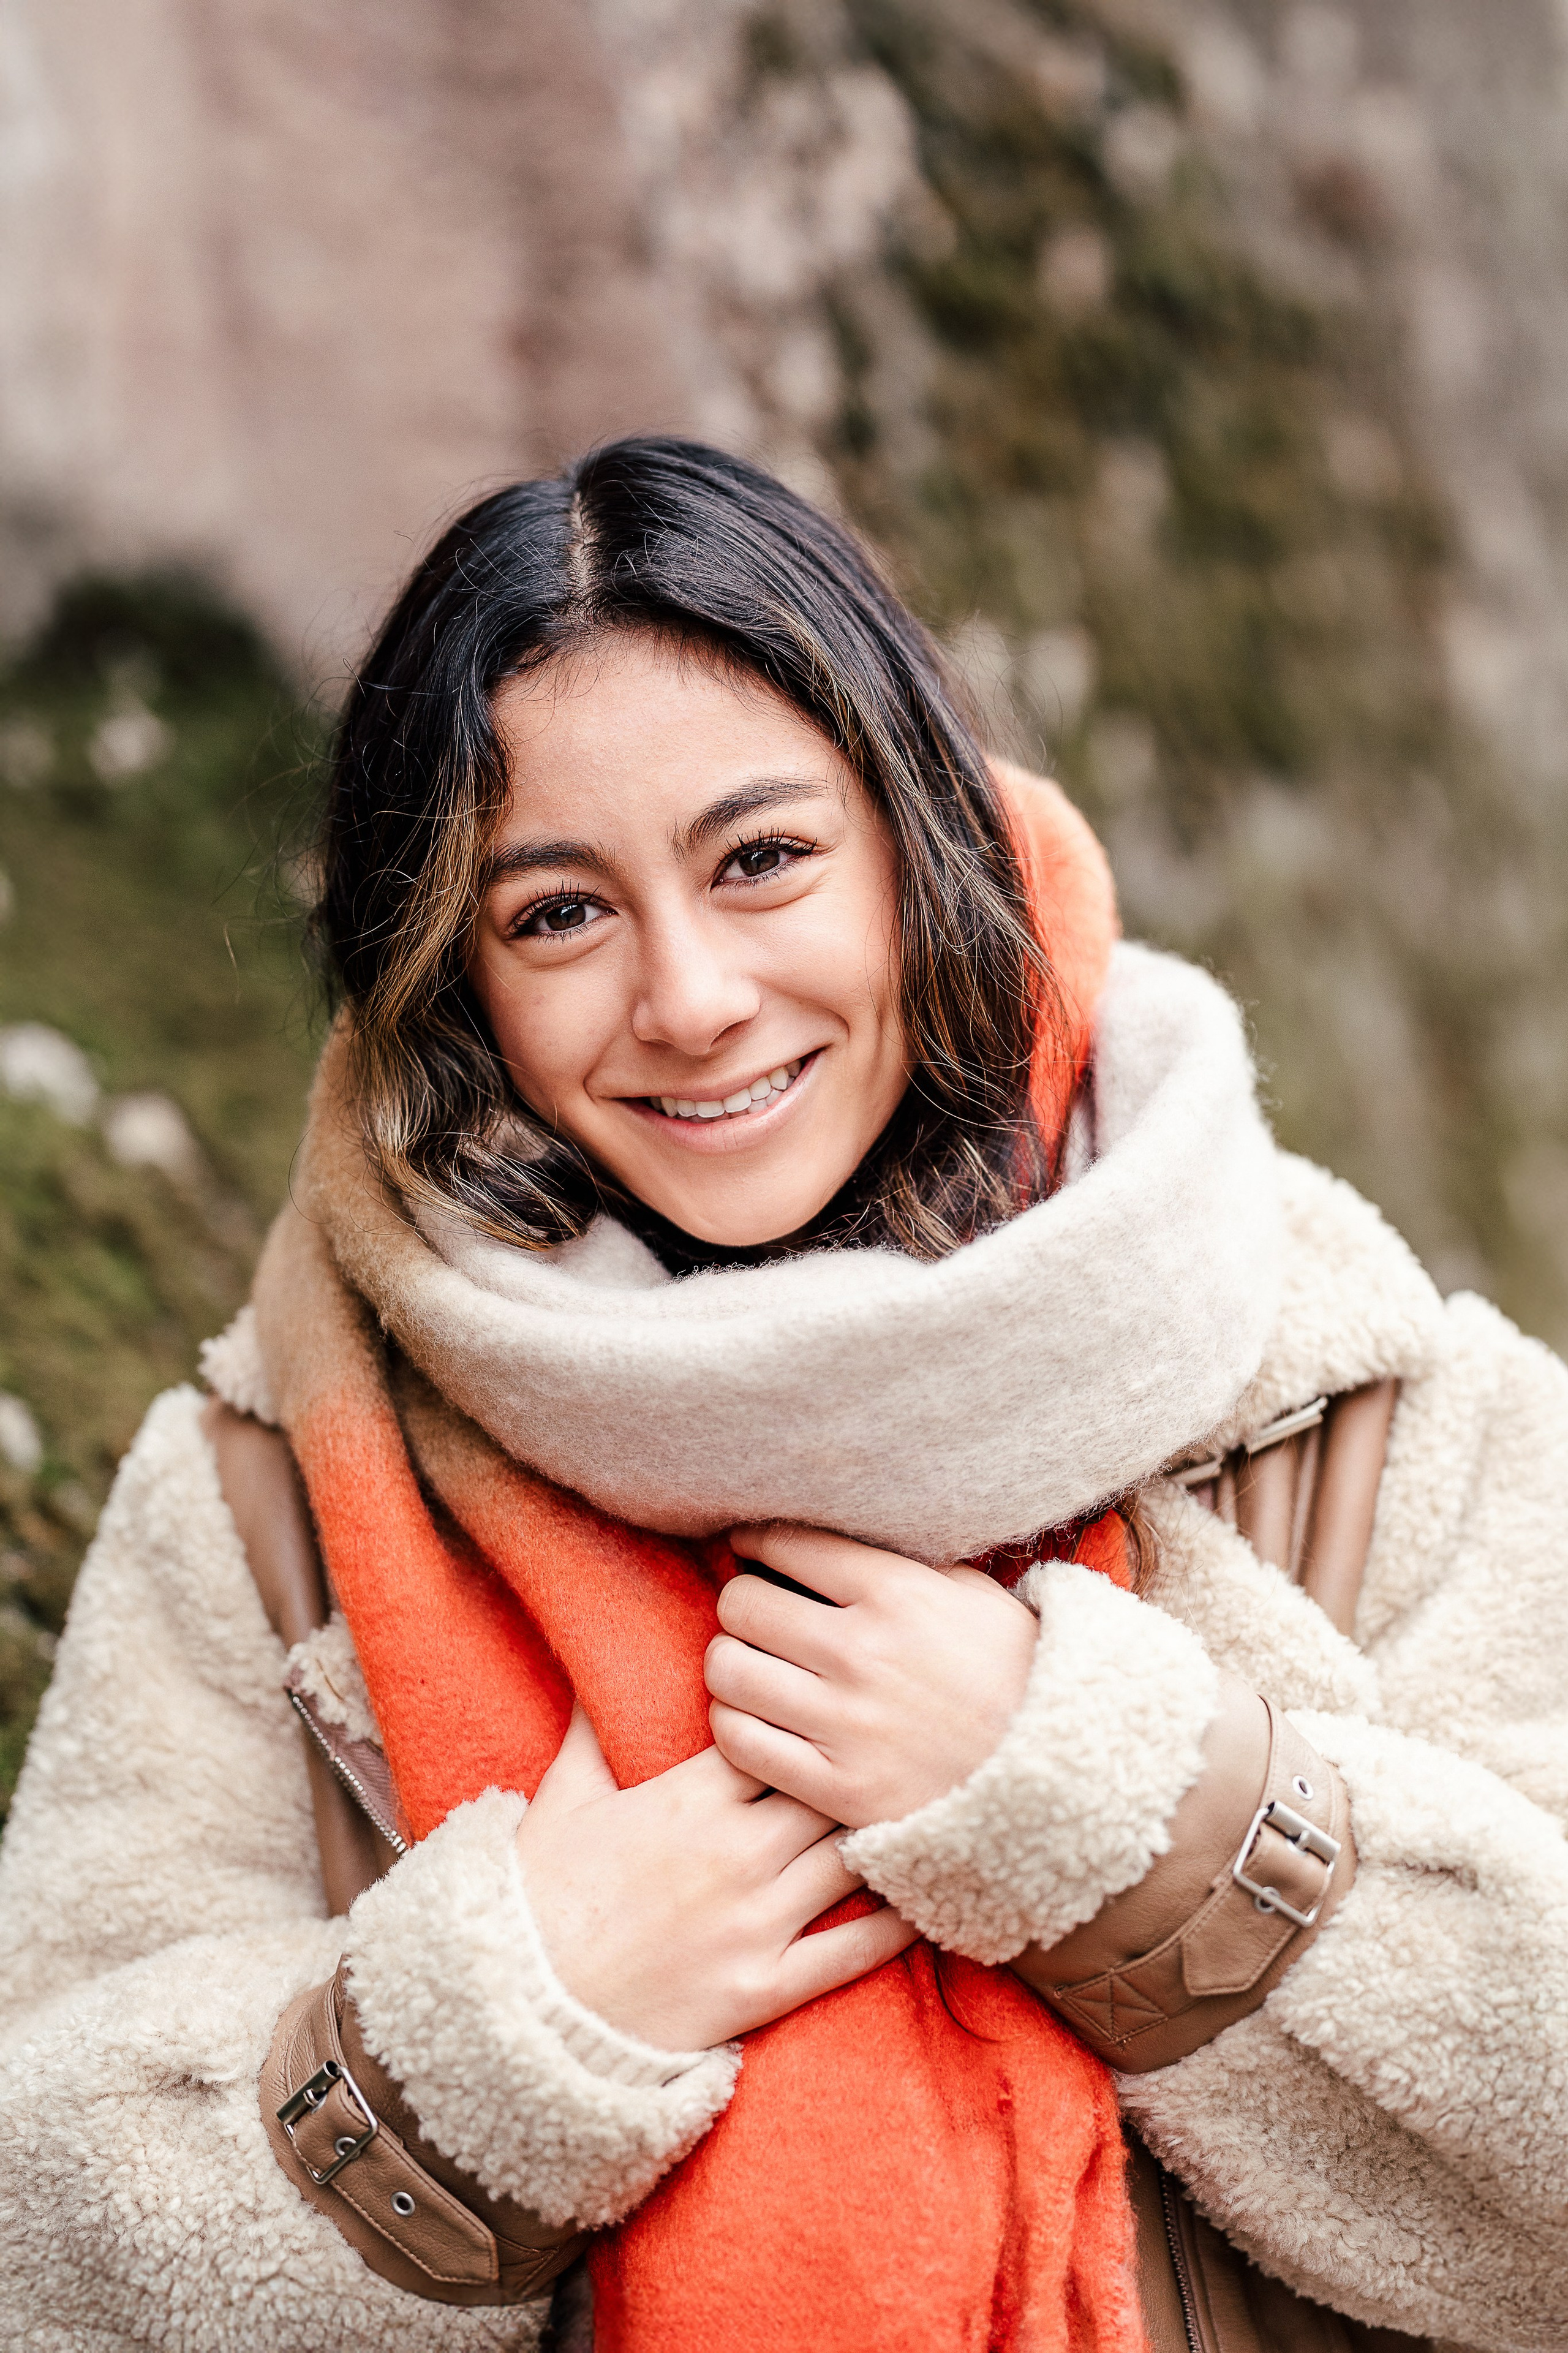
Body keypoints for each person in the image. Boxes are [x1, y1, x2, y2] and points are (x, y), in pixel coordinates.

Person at [0, 439, 1562, 2353]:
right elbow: (41, 2269)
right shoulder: (268, 1499)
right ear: (455, 982)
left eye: (763, 860)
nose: (692, 998)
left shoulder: (1344, 1383)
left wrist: (1130, 1812)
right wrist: (499, 2032)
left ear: (918, 843)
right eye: (557, 912)